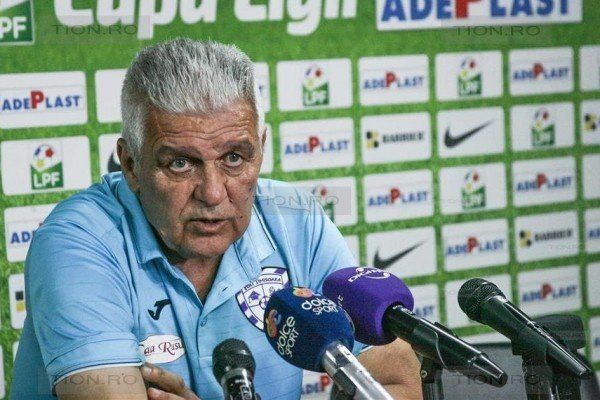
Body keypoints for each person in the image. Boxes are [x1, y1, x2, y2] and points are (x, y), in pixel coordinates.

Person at [11, 38, 421, 400]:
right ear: (131, 166)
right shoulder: (76, 240)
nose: (212, 193)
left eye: (234, 158)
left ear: (260, 149)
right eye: (180, 163)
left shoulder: (296, 218)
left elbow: (397, 383)